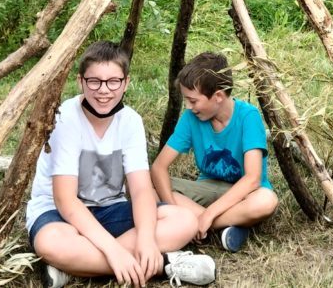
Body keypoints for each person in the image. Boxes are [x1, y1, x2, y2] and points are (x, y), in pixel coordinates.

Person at [27, 41, 217, 288]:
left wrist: (147, 239)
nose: (103, 90)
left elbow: (140, 190)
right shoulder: (66, 117)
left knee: (185, 220)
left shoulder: (130, 121)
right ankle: (163, 264)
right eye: (94, 81)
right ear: (80, 81)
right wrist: (114, 252)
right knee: (50, 243)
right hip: (59, 213)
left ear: (126, 83)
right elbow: (66, 200)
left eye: (113, 81)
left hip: (110, 210)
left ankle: (78, 267)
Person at [150, 52, 279, 253]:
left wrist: (208, 216)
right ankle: (228, 226)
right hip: (208, 188)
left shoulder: (248, 116)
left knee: (266, 201)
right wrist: (173, 210)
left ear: (218, 96)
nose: (188, 107)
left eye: (193, 101)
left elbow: (253, 179)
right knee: (145, 188)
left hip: (245, 193)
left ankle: (202, 224)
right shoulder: (190, 118)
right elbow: (159, 167)